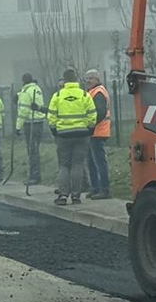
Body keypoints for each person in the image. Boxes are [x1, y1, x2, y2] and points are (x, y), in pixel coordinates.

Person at [47, 68, 96, 206]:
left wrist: (54, 130)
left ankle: (63, 195)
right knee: (78, 165)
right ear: (76, 80)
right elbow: (92, 114)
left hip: (63, 135)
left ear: (65, 80)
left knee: (64, 166)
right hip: (81, 134)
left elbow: (51, 116)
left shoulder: (57, 96)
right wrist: (90, 128)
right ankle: (76, 196)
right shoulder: (84, 95)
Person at [84, 69, 112, 200]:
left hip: (98, 131)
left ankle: (104, 189)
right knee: (91, 161)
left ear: (97, 79)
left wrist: (90, 125)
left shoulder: (99, 92)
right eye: (87, 78)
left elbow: (100, 112)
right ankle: (95, 188)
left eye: (91, 78)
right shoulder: (93, 91)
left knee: (99, 162)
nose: (88, 81)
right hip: (93, 131)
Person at [15, 73, 45, 185]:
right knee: (35, 149)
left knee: (32, 151)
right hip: (39, 122)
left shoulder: (26, 92)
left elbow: (23, 111)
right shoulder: (36, 89)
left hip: (30, 123)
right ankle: (36, 175)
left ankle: (34, 176)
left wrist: (18, 127)